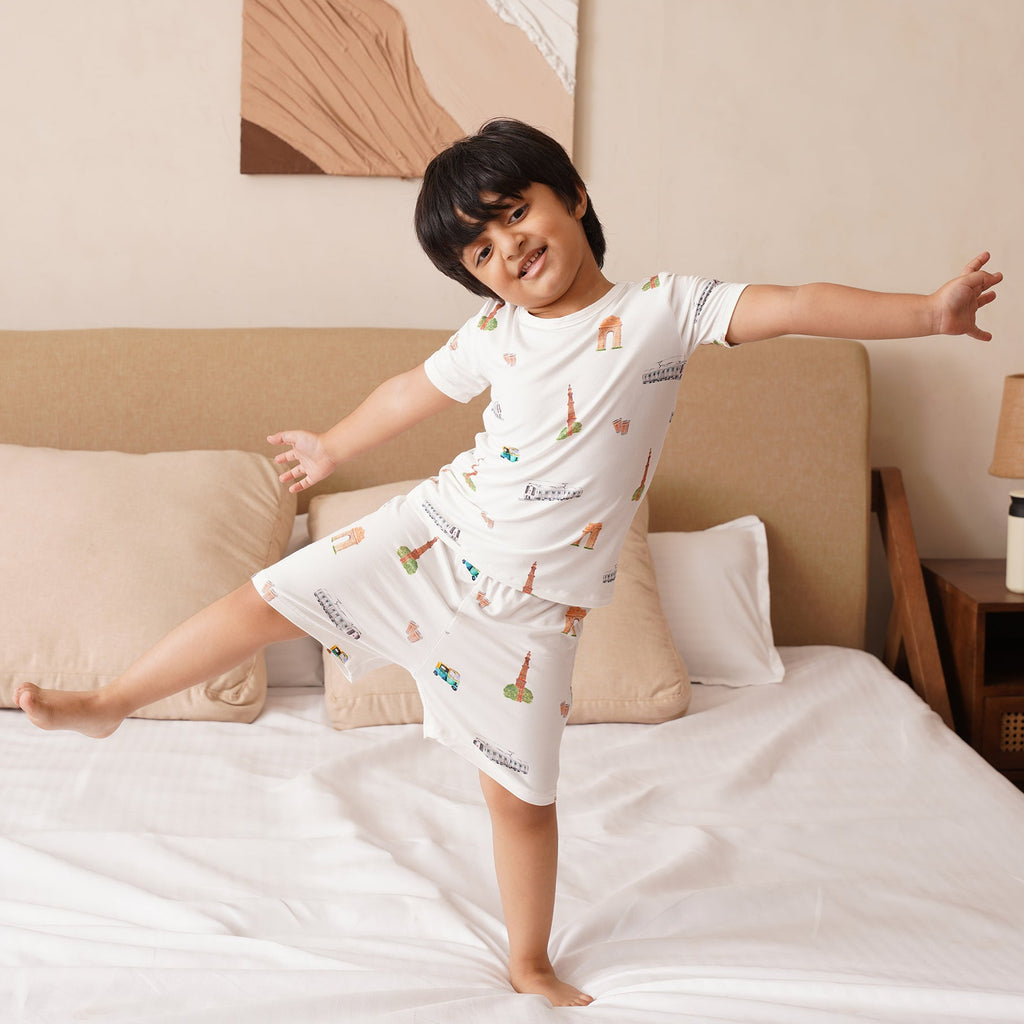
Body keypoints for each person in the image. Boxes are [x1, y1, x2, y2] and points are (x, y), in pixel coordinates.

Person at [14, 119, 1001, 1008]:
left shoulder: (663, 309)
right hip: (436, 532)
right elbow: (412, 390)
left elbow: (792, 304)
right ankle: (115, 697)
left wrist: (927, 312)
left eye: (515, 210)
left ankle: (528, 959)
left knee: (520, 799)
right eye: (480, 248)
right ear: (475, 277)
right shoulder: (496, 333)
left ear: (570, 196)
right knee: (268, 597)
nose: (509, 247)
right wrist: (332, 450)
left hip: (533, 612)